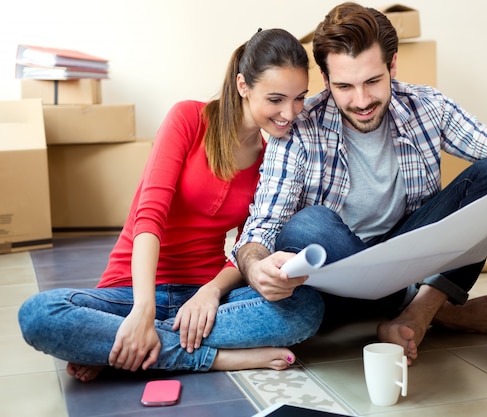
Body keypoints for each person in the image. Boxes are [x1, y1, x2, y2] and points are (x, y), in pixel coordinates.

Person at [233, 2, 487, 365]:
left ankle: (419, 311)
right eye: (345, 86)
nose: (362, 100)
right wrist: (255, 267)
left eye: (373, 81)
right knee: (309, 225)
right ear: (324, 78)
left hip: (405, 256)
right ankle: (432, 308)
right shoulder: (301, 128)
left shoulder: (426, 106)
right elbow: (262, 228)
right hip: (337, 279)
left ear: (392, 65)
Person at [18, 28, 324, 383]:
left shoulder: (273, 159)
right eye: (276, 99)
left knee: (306, 308)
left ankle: (120, 347)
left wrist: (210, 291)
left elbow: (247, 247)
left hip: (203, 298)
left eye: (299, 98)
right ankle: (214, 358)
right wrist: (142, 312)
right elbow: (148, 218)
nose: (291, 112)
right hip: (131, 290)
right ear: (243, 85)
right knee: (39, 313)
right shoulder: (188, 119)